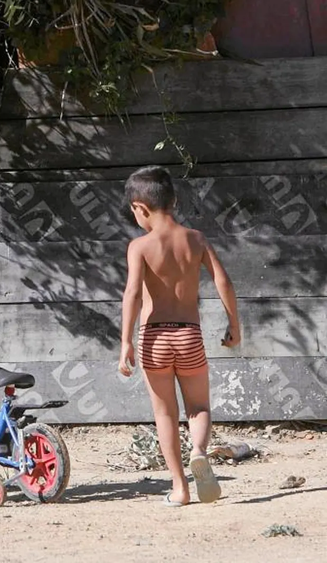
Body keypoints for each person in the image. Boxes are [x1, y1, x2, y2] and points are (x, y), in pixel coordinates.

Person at [118, 165, 240, 506]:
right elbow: (223, 282)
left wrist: (126, 342)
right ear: (174, 200)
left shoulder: (139, 246)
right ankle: (199, 451)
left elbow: (132, 294)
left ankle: (180, 488)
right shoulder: (196, 239)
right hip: (189, 335)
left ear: (140, 208)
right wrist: (234, 325)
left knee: (165, 414)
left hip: (153, 338)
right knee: (199, 406)